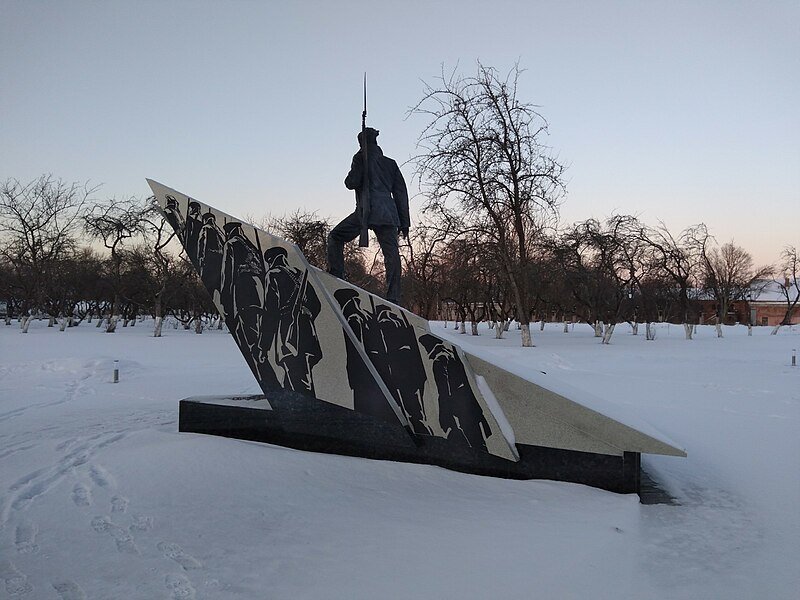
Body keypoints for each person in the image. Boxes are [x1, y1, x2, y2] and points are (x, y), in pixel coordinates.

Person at [327, 127, 409, 305]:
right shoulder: (390, 163)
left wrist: (359, 161)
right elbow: (401, 194)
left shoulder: (359, 158)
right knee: (391, 254)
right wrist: (405, 223)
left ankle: (336, 278)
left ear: (361, 143)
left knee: (335, 236)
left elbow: (351, 182)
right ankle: (393, 297)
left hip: (366, 211)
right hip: (388, 213)